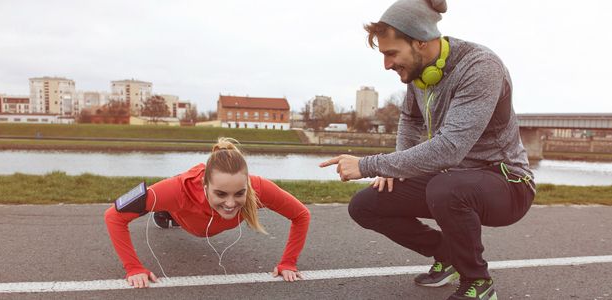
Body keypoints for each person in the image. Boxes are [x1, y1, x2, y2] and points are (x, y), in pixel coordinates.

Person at [319, 0, 535, 299]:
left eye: (391, 53)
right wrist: (395, 171)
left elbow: (450, 148)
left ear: (420, 41)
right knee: (366, 205)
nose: (387, 64)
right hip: (452, 179)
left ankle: (478, 283)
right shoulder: (419, 74)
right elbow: (410, 118)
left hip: (508, 184)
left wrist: (371, 165)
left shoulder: (480, 67)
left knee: (446, 188)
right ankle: (447, 254)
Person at [105, 138, 310, 288]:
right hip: (180, 213)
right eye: (220, 193)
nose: (230, 203)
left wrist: (288, 262)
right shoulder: (178, 189)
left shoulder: (260, 189)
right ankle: (164, 213)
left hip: (201, 223)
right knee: (164, 205)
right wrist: (133, 268)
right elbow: (113, 216)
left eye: (239, 193)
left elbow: (301, 215)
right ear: (205, 186)